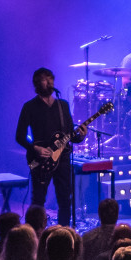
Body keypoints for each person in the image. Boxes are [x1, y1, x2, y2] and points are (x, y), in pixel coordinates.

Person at [15, 67, 87, 227]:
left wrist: (81, 135)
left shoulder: (63, 105)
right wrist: (36, 149)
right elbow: (19, 136)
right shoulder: (30, 107)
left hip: (62, 160)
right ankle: (34, 235)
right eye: (44, 79)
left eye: (50, 78)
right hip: (40, 160)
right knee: (38, 200)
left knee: (64, 199)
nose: (49, 82)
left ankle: (63, 233)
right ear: (37, 84)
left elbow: (70, 136)